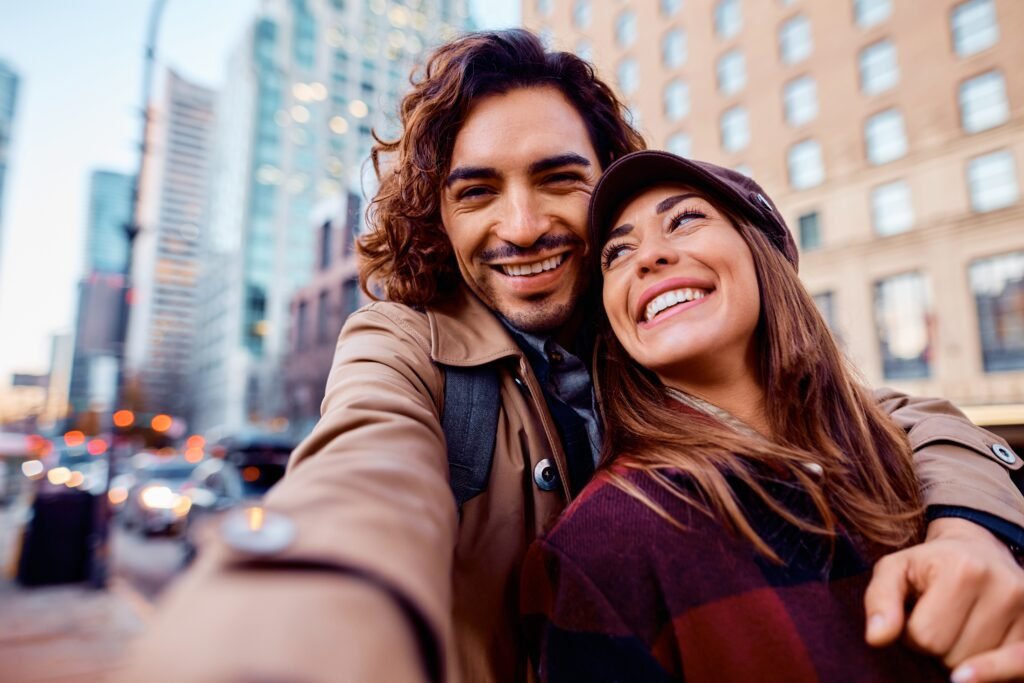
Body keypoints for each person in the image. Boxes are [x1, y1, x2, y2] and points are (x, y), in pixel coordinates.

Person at [119, 30, 1024, 683]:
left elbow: (885, 418)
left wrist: (974, 525)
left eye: (558, 178)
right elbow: (360, 485)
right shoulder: (402, 345)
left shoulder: (650, 324)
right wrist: (289, 621)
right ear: (440, 217)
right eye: (478, 192)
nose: (521, 227)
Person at [522, 150, 1024, 683]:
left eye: (685, 219)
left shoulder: (908, 455)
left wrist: (976, 534)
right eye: (617, 253)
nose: (648, 257)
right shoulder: (596, 553)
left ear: (763, 256)